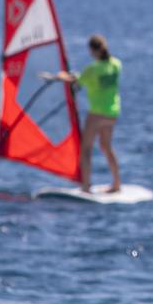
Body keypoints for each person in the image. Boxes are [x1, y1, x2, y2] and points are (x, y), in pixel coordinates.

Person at [45, 33, 122, 192]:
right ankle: (116, 183)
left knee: (86, 149)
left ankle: (86, 186)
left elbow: (76, 80)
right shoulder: (116, 64)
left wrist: (58, 76)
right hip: (112, 112)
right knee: (106, 147)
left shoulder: (93, 69)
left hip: (97, 113)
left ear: (93, 51)